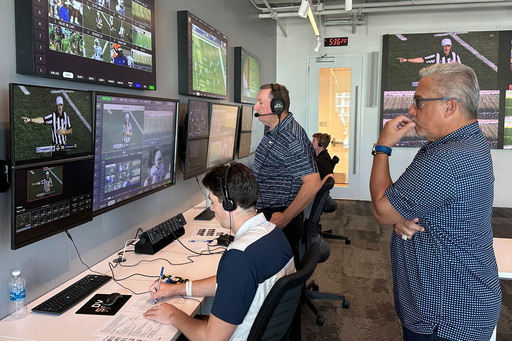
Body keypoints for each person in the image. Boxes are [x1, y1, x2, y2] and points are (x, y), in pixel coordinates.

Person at [369, 63, 501, 340]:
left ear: (450, 107)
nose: (412, 111)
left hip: (445, 315)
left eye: (418, 103)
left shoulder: (446, 159)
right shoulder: (470, 142)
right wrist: (400, 217)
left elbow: (382, 210)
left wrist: (383, 147)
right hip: (461, 302)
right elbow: (434, 206)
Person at [143, 162, 295, 340]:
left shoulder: (240, 257)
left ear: (230, 204)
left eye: (213, 201)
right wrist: (177, 289)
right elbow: (229, 283)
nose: (211, 208)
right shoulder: (273, 233)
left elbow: (211, 339)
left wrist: (172, 315)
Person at [251, 83, 320, 264]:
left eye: (260, 102)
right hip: (268, 214)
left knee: (280, 280)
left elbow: (313, 182)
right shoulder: (274, 131)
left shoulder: (290, 138)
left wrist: (285, 217)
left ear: (278, 106)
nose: (255, 107)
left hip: (280, 219)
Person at [311, 132, 338, 212]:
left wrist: (319, 186)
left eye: (314, 141)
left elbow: (330, 176)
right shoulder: (320, 156)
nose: (311, 142)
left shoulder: (323, 159)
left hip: (314, 192)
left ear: (320, 144)